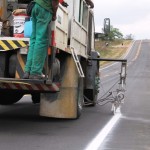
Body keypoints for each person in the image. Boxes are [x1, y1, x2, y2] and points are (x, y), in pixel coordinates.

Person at [13, 0, 59, 79]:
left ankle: (27, 71)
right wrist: (54, 14)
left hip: (34, 7)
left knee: (34, 40)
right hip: (44, 9)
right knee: (41, 40)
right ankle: (36, 72)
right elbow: (55, 2)